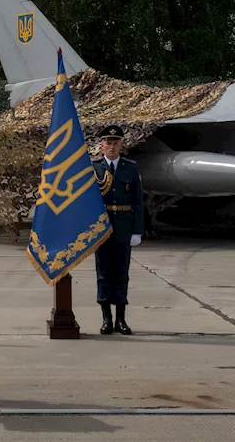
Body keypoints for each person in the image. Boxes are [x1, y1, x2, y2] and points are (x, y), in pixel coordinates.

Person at [91, 124, 144, 334]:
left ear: (121, 145)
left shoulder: (130, 168)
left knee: (121, 271)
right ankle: (106, 319)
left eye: (115, 143)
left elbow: (138, 201)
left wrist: (137, 230)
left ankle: (121, 319)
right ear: (101, 145)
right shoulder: (94, 168)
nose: (111, 147)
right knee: (103, 272)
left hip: (123, 223)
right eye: (108, 143)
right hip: (102, 225)